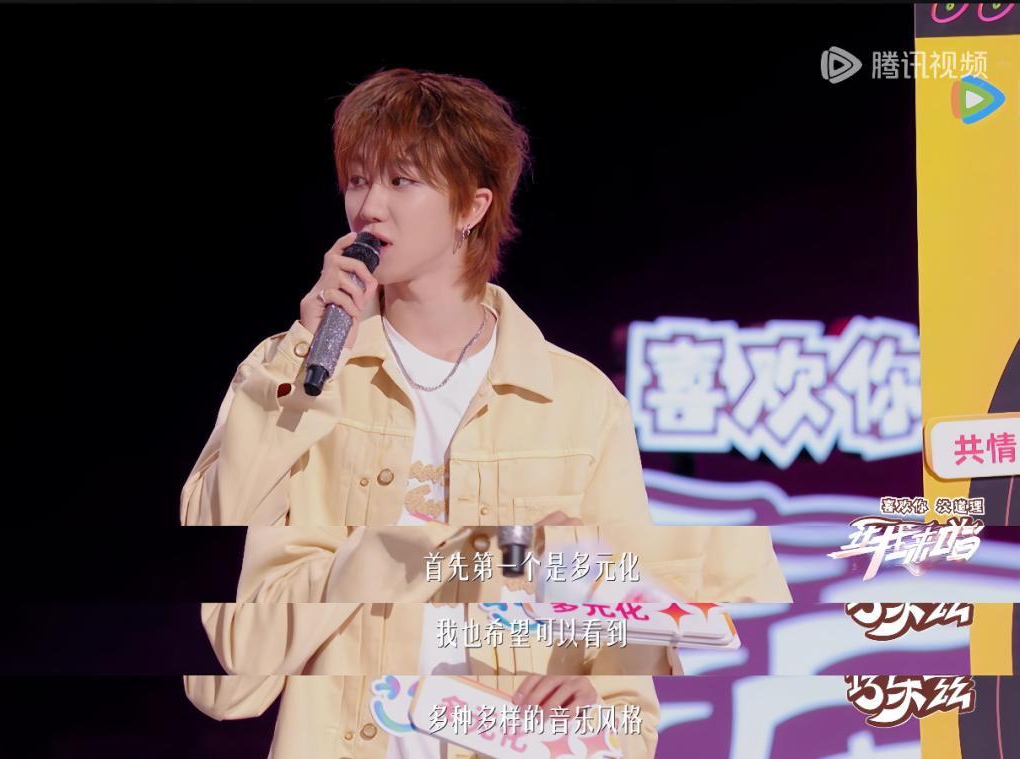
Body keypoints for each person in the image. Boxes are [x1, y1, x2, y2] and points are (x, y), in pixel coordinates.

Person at [181, 68, 790, 758]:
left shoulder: (577, 403)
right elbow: (223, 663)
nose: (369, 208)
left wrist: (593, 701)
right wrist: (302, 365)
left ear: (472, 206)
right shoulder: (295, 371)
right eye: (357, 180)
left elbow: (626, 673)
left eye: (401, 181)